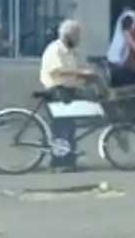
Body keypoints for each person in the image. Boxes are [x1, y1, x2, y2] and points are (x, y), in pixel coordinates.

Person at [39, 19, 94, 172]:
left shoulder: (70, 52)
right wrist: (80, 73)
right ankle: (59, 162)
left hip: (68, 89)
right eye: (77, 36)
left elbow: (74, 71)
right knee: (62, 126)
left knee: (70, 126)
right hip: (56, 90)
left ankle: (70, 158)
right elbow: (57, 71)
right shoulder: (55, 50)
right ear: (68, 36)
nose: (79, 39)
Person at [106, 0, 135, 87]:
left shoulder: (134, 17)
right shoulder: (130, 15)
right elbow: (126, 31)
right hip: (117, 59)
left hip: (120, 59)